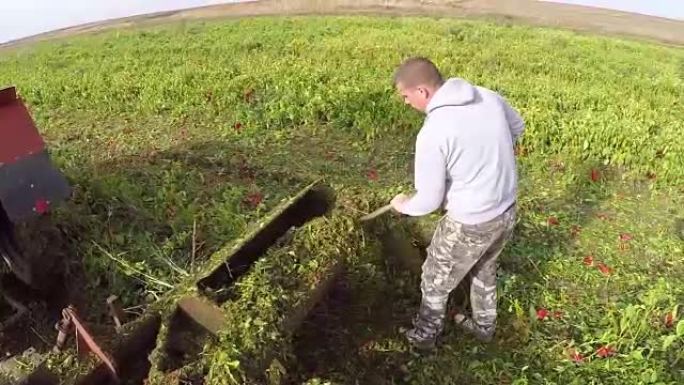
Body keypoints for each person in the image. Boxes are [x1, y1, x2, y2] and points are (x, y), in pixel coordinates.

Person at [389, 57, 524, 350]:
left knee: (435, 279)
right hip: (507, 210)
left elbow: (428, 200)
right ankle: (484, 327)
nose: (405, 103)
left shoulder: (434, 131)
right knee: (484, 267)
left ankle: (424, 339)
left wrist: (402, 204)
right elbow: (518, 127)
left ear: (422, 91)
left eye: (405, 96)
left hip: (472, 221)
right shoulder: (488, 96)